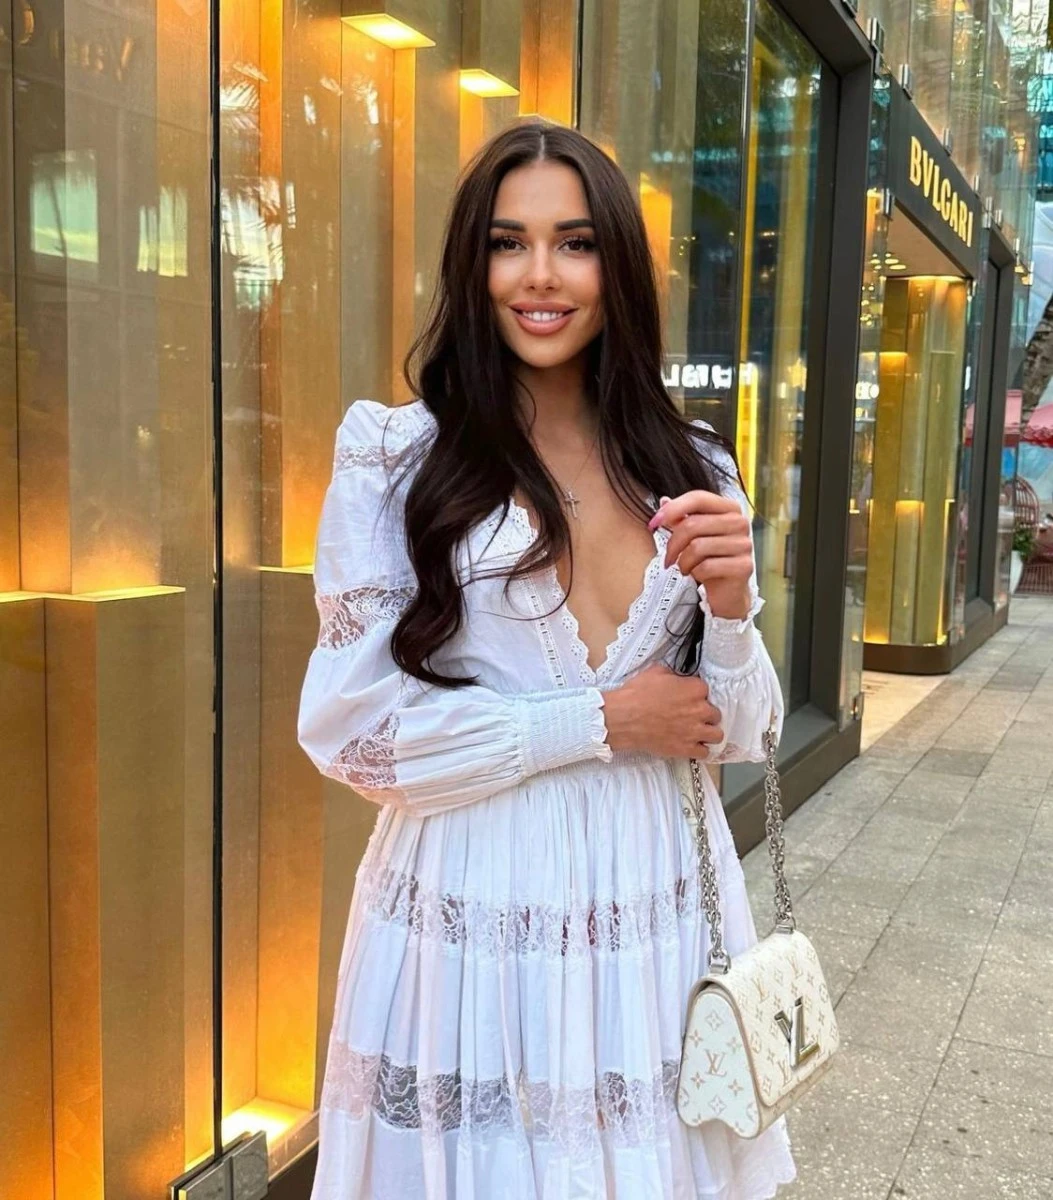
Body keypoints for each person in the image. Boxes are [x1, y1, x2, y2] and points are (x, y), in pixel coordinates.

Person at [298, 119, 795, 1200]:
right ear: (469, 265)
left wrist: (732, 609)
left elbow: (744, 732)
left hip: (651, 906)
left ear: (617, 268)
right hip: (477, 907)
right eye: (506, 243)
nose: (539, 276)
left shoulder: (691, 462)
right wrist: (603, 721)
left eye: (574, 243)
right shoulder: (397, 458)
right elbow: (353, 734)